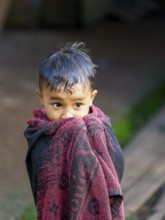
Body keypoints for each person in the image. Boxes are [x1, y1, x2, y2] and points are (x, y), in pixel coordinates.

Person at [24, 42, 125, 220]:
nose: (68, 115)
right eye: (57, 104)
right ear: (41, 98)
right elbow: (40, 178)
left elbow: (116, 164)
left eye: (78, 104)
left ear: (91, 98)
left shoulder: (99, 129)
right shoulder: (40, 133)